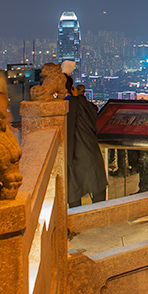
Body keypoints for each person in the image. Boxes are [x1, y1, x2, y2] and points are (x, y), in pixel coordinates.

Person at [65, 75, 107, 207]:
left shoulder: (67, 103)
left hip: (70, 153)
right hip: (87, 148)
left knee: (73, 189)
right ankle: (100, 214)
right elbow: (93, 111)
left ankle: (75, 221)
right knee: (95, 182)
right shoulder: (80, 103)